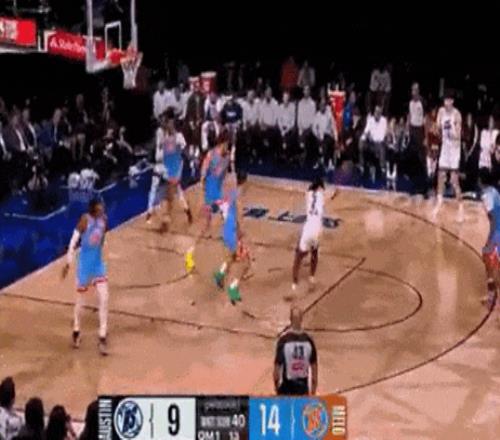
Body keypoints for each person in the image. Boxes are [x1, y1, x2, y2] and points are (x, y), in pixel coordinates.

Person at [62, 198, 110, 356]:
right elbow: (73, 241)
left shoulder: (104, 220)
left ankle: (102, 335)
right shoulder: (85, 220)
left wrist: (100, 256)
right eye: (100, 208)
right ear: (93, 209)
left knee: (104, 297)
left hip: (97, 264)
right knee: (80, 301)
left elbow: (102, 239)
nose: (102, 209)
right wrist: (68, 263)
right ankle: (76, 330)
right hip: (84, 265)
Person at [184, 133, 231, 273]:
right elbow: (203, 173)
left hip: (218, 192)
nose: (228, 147)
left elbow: (223, 176)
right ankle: (189, 253)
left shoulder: (227, 157)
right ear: (222, 143)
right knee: (205, 226)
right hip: (210, 193)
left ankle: (230, 257)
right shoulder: (211, 155)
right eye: (227, 144)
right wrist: (203, 185)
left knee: (226, 221)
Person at [292, 177, 338, 290]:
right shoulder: (322, 195)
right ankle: (312, 276)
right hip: (317, 228)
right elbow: (331, 196)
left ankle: (295, 282)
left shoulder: (308, 194)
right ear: (320, 187)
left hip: (308, 227)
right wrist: (336, 192)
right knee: (315, 252)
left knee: (298, 256)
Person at [212, 172, 251, 304]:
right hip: (234, 232)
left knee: (230, 258)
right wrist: (241, 236)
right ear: (243, 182)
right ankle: (233, 288)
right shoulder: (237, 199)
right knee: (246, 263)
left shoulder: (227, 195)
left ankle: (220, 274)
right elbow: (238, 219)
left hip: (226, 231)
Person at [155, 110, 193, 232]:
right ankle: (188, 212)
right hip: (167, 169)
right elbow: (161, 152)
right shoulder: (164, 137)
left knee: (169, 195)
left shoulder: (179, 137)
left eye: (169, 122)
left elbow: (185, 152)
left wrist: (191, 161)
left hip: (176, 169)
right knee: (178, 192)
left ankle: (166, 220)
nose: (168, 124)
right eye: (166, 122)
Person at [432, 92, 464, 221]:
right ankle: (439, 202)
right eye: (444, 100)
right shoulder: (441, 112)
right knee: (440, 176)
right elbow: (437, 129)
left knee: (454, 181)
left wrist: (451, 131)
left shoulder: (457, 115)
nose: (445, 103)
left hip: (454, 149)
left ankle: (460, 206)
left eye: (447, 100)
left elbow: (458, 136)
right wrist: (436, 130)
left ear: (452, 101)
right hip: (445, 148)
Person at [274, 307, 318, 396]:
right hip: (303, 389)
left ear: (290, 319)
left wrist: (276, 387)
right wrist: (313, 392)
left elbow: (277, 373)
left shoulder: (284, 341)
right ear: (302, 319)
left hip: (286, 389)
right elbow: (314, 373)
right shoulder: (309, 341)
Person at [478, 168, 500, 317]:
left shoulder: (486, 195)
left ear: (480, 180)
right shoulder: (495, 191)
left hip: (498, 231)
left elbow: (493, 218)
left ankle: (491, 298)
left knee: (488, 259)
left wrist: (490, 241)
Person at [359, 104, 388, 179]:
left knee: (381, 146)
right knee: (361, 142)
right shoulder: (370, 120)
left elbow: (382, 135)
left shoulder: (384, 121)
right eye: (376, 111)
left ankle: (382, 169)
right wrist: (363, 138)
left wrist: (374, 138)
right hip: (371, 143)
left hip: (379, 142)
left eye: (378, 112)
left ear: (380, 113)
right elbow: (366, 132)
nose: (377, 113)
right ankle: (362, 166)